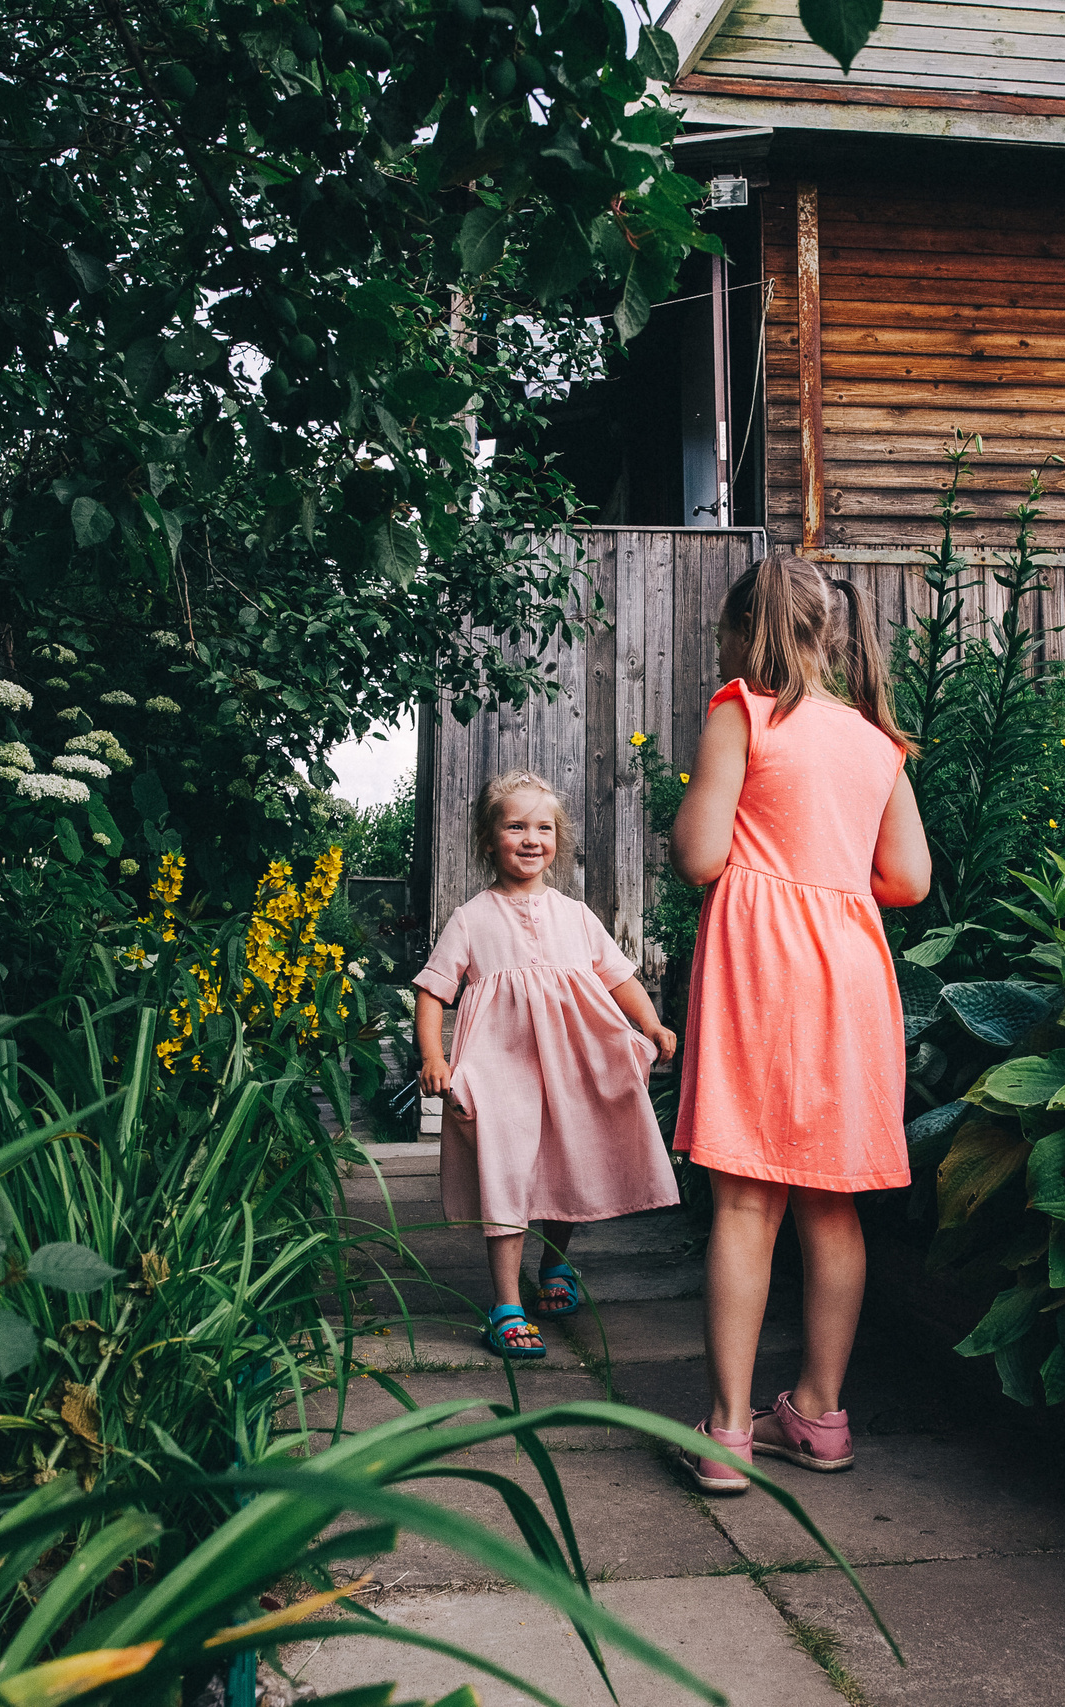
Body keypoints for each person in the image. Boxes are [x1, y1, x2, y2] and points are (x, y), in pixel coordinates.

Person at [668, 554, 931, 1491]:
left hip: (760, 965)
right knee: (833, 1200)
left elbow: (701, 854)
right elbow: (907, 880)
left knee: (746, 1198)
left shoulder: (740, 707)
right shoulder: (876, 740)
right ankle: (819, 1413)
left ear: (746, 631)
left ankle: (730, 1430)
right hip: (850, 972)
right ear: (833, 635)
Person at [414, 770, 681, 1360]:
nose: (531, 838)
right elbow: (433, 991)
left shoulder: (576, 915)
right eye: (515, 826)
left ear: (557, 839)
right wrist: (434, 1055)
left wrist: (651, 1024)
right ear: (489, 840)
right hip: (498, 1068)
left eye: (543, 827)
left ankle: (556, 1266)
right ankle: (506, 1303)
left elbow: (618, 978)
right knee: (505, 1172)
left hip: (572, 1064)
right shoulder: (472, 919)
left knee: (567, 1161)